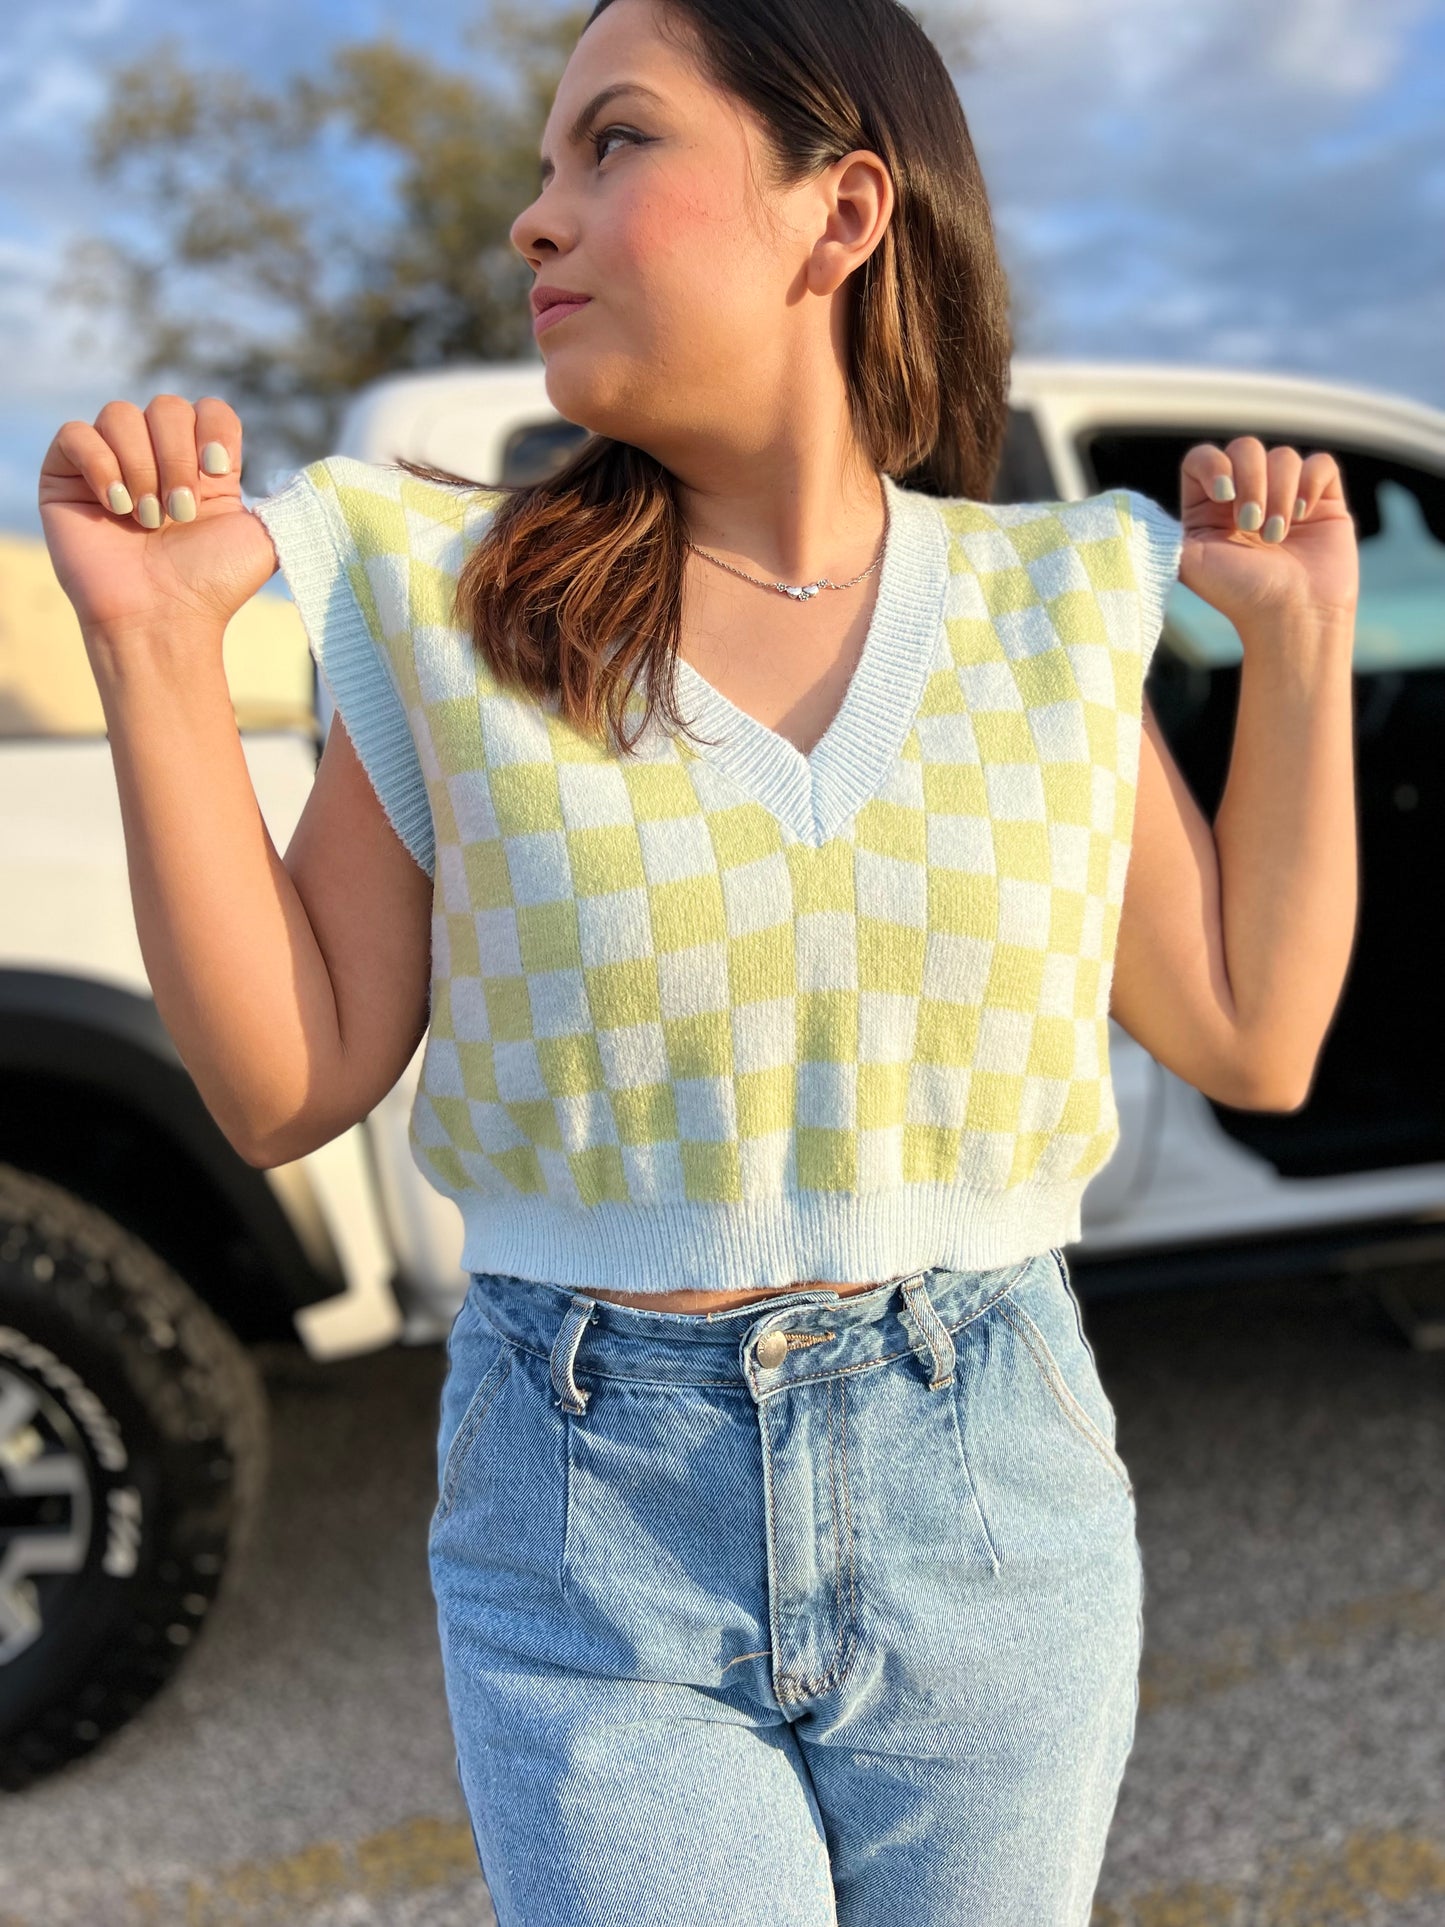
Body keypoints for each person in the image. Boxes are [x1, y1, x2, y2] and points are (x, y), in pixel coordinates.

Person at [38, 0, 1360, 1918]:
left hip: (987, 1490)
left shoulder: (1048, 609)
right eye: (547, 159)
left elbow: (1251, 1038)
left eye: (614, 145)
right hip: (585, 1515)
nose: (533, 219)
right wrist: (154, 652)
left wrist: (1305, 651)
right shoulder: (453, 603)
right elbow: (285, 1080)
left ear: (839, 211)